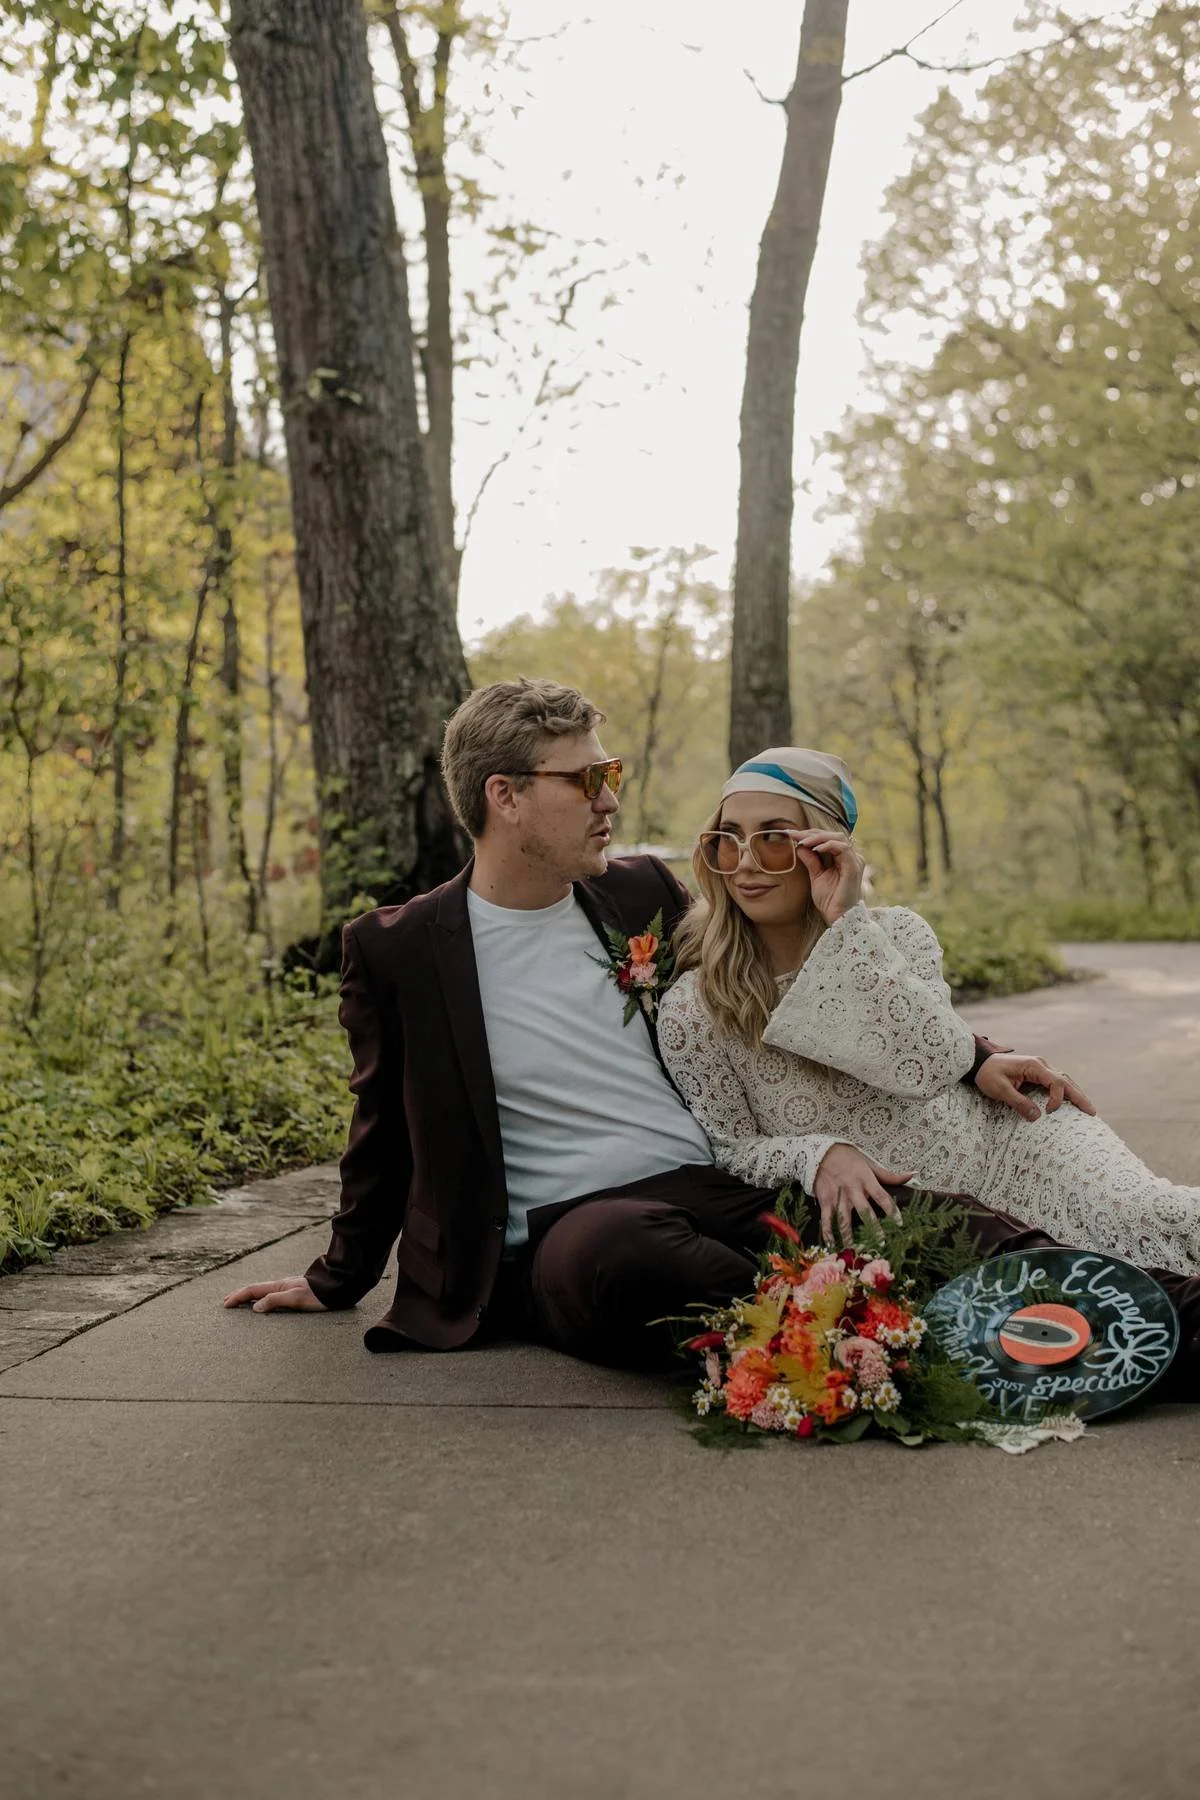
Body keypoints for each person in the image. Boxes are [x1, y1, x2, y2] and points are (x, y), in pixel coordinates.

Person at [224, 685, 1200, 1397]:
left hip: (722, 1182)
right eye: (589, 777)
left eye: (614, 773)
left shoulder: (637, 895)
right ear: (503, 795)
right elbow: (379, 1126)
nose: (612, 796)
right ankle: (878, 1338)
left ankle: (1161, 1322)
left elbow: (770, 977)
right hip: (566, 1235)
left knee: (919, 1217)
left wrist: (976, 1056)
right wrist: (336, 1275)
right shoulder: (397, 950)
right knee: (632, 1253)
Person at [658, 745, 1200, 1277]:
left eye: (774, 838)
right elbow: (730, 1149)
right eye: (726, 841)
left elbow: (935, 1060)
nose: (746, 862)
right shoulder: (694, 1004)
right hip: (919, 1210)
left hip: (1012, 1142)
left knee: (1155, 1219)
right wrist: (816, 1154)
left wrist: (847, 922)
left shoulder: (896, 934)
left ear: (825, 846)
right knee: (1100, 1289)